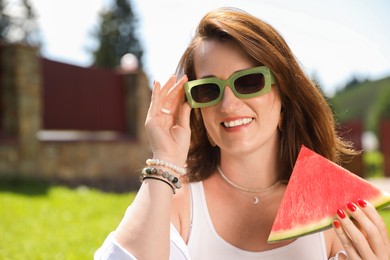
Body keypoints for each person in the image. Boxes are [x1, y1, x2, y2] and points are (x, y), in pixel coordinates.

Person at [95, 7, 390, 259]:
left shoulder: (336, 213)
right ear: (197, 108)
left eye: (248, 82)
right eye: (209, 89)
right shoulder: (178, 201)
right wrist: (163, 159)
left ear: (284, 99)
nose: (228, 103)